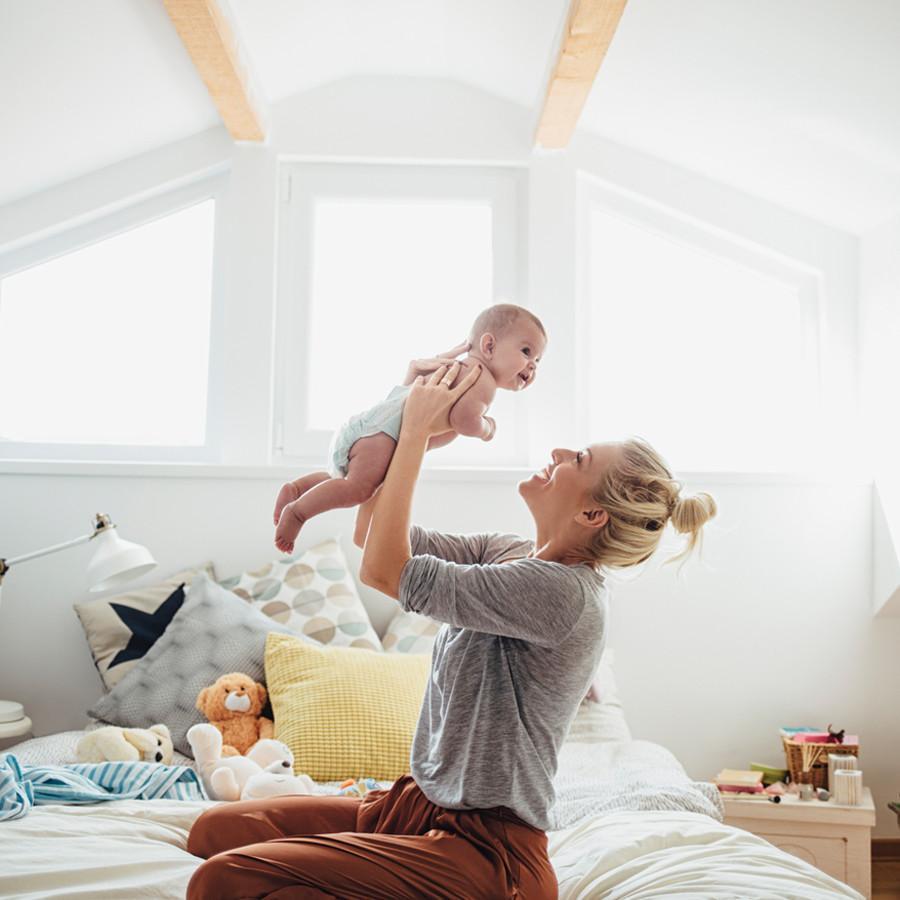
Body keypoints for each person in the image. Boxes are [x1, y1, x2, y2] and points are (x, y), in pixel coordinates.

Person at [187, 360, 717, 899]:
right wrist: (404, 428)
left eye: (577, 459)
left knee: (220, 881)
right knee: (213, 831)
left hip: (486, 848)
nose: (558, 453)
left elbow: (383, 573)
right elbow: (372, 533)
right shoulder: (510, 554)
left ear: (592, 515)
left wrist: (415, 434)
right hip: (418, 804)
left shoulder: (563, 595)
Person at [273, 303, 547, 554]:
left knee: (348, 480)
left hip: (375, 427)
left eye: (538, 360)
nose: (532, 365)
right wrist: (487, 429)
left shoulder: (457, 366)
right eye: (526, 352)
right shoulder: (481, 379)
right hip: (384, 435)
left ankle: (298, 488)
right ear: (488, 346)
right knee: (357, 489)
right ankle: (297, 513)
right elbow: (464, 420)